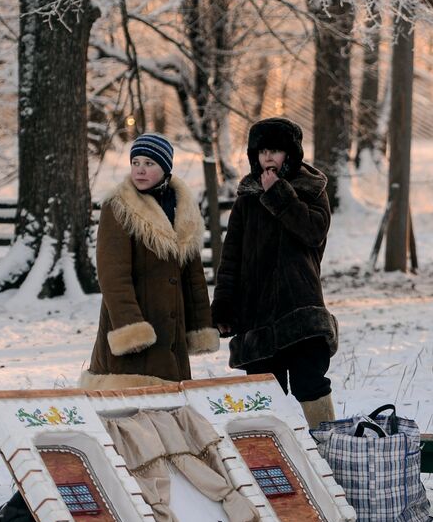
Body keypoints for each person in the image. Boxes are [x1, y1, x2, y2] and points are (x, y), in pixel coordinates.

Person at [211, 117, 338, 429]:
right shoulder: (246, 199)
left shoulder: (311, 189)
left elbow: (313, 232)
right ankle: (272, 459)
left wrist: (279, 194)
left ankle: (328, 448)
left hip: (300, 309)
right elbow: (232, 257)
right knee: (263, 393)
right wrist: (224, 304)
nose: (268, 157)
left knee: (311, 383)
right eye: (262, 151)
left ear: (291, 155)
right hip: (257, 314)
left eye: (276, 151)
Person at [83, 133, 218, 389]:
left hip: (171, 336)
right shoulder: (119, 207)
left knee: (171, 411)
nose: (140, 170)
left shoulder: (183, 207)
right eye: (136, 163)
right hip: (135, 330)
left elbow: (194, 276)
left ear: (165, 168)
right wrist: (131, 327)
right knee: (132, 411)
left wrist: (200, 326)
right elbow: (113, 275)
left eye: (149, 163)